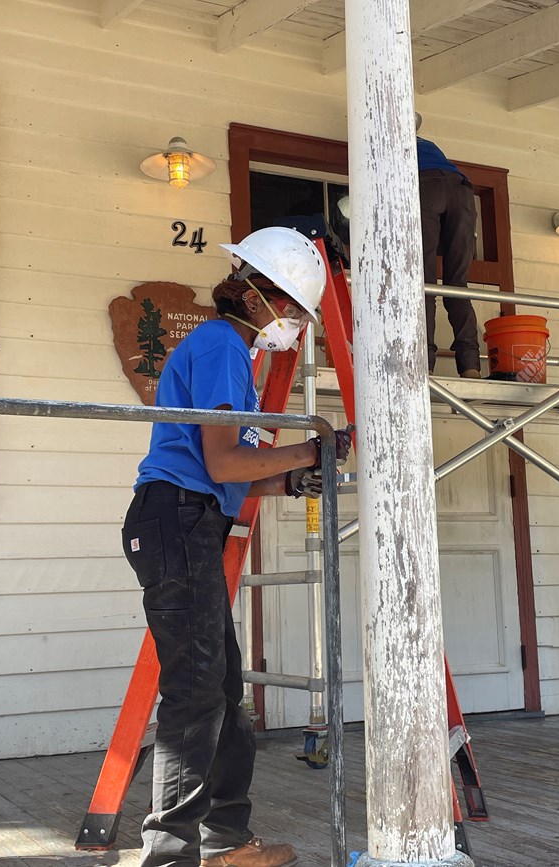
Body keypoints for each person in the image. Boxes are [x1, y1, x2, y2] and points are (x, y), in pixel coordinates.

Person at [121, 226, 352, 867]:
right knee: (197, 695)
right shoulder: (224, 345)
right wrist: (312, 445)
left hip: (186, 521)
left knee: (220, 694)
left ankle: (227, 843)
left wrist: (294, 473)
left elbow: (234, 465)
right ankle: (170, 855)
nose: (297, 327)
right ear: (257, 298)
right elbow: (223, 462)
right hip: (178, 521)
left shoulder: (231, 353)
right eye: (293, 311)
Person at [416, 113, 481, 378]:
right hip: (463, 191)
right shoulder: (430, 145)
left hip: (426, 185)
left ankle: (426, 363)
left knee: (424, 282)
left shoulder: (389, 143)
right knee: (457, 283)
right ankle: (470, 365)